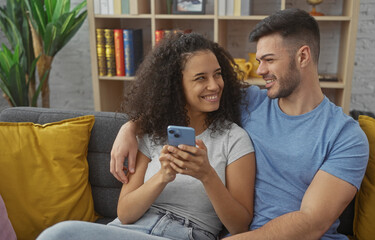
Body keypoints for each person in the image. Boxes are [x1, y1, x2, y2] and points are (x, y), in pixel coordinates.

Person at [111, 8, 370, 240]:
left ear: (303, 56)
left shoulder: (345, 136)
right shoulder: (250, 102)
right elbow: (179, 99)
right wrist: (130, 128)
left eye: (269, 60)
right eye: (258, 61)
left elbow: (311, 223)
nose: (260, 70)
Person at [37, 32, 255, 240]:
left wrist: (207, 175)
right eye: (201, 78)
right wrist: (163, 176)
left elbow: (239, 226)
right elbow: (125, 213)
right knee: (58, 234)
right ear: (176, 87)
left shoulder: (234, 139)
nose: (214, 85)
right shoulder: (152, 134)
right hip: (130, 230)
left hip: (185, 233)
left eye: (217, 74)